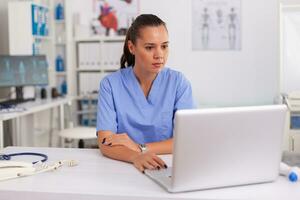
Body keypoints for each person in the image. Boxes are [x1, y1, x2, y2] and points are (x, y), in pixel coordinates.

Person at [96, 14, 195, 173]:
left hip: (167, 166)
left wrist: (139, 148)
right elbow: (105, 142)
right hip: (122, 166)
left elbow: (187, 140)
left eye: (164, 46)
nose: (159, 55)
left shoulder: (178, 83)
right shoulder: (110, 85)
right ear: (131, 47)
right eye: (150, 47)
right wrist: (135, 157)